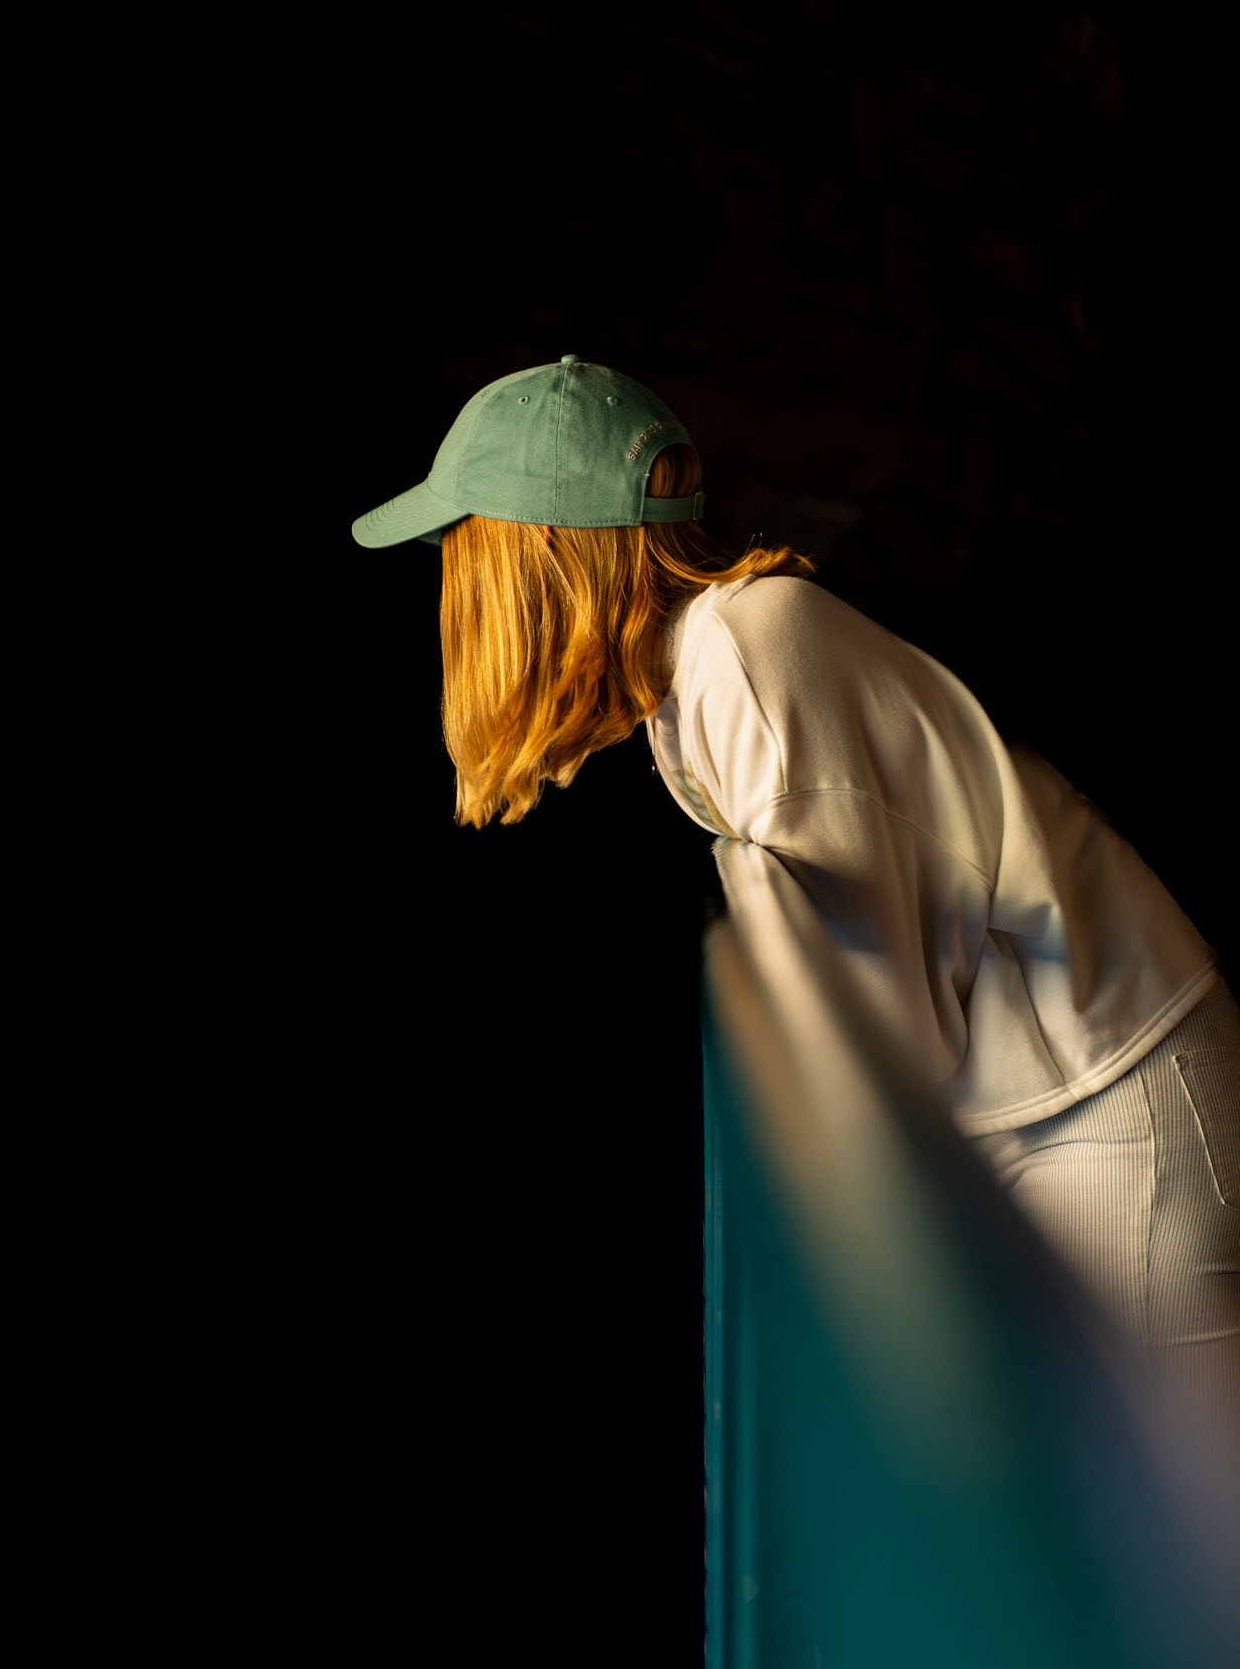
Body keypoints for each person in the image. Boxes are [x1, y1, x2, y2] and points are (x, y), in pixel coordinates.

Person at [350, 352, 1240, 1455]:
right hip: (1053, 1096)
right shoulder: (693, 682)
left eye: (464, 543)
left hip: (1116, 1091)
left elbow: (879, 1042)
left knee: (1167, 1516)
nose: (455, 581)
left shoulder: (741, 651)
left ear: (536, 550)